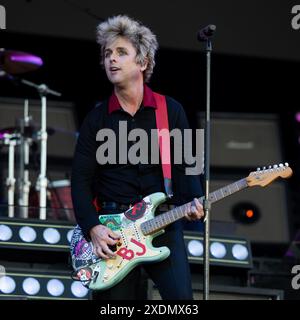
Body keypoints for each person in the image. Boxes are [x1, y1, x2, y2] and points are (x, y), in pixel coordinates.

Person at [71, 14, 204, 300]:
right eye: (107, 53)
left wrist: (195, 201)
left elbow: (188, 165)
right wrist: (93, 227)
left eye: (121, 52)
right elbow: (79, 181)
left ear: (143, 63)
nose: (111, 60)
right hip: (112, 232)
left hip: (163, 221)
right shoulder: (96, 118)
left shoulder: (172, 110)